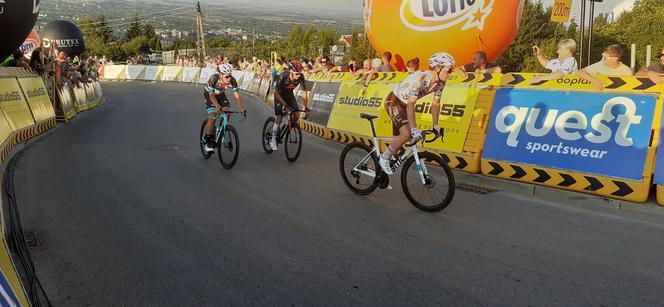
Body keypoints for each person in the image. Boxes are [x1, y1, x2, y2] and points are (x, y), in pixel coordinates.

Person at [379, 52, 455, 175]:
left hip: (404, 106)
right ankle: (384, 157)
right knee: (407, 133)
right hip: (394, 101)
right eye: (449, 70)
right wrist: (414, 129)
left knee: (404, 137)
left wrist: (436, 126)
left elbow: (435, 104)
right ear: (437, 68)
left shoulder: (441, 83)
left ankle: (381, 171)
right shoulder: (420, 79)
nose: (450, 73)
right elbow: (410, 104)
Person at [202, 64, 247, 154]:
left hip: (221, 95)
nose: (229, 78)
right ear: (220, 76)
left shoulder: (232, 80)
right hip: (210, 95)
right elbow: (211, 96)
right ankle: (207, 140)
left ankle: (222, 129)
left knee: (227, 111)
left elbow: (237, 95)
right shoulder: (213, 79)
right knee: (213, 115)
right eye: (227, 77)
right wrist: (217, 106)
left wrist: (242, 108)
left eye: (230, 75)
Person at [269, 60, 310, 151]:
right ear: (291, 71)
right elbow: (276, 93)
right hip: (279, 96)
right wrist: (284, 105)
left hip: (289, 96)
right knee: (279, 117)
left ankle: (285, 126)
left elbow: (304, 93)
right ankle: (273, 139)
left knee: (296, 116)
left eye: (300, 73)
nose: (299, 75)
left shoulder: (301, 77)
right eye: (297, 73)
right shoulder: (283, 76)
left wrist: (306, 107)